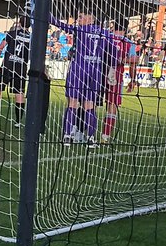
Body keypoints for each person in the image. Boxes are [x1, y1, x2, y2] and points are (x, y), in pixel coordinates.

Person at [51, 10, 126, 147]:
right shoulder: (105, 33)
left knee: (72, 103)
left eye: (80, 17)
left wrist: (43, 11)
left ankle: (67, 136)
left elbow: (57, 23)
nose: (78, 19)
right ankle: (91, 138)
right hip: (95, 72)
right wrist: (112, 70)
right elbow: (115, 54)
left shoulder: (81, 30)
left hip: (79, 70)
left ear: (90, 18)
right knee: (89, 106)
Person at [0, 14, 31, 128]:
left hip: (7, 66)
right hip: (20, 68)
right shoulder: (32, 38)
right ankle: (18, 121)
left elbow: (0, 47)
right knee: (19, 93)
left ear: (20, 23)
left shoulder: (12, 33)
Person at [101, 21, 132, 142]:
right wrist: (133, 80)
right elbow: (134, 60)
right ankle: (105, 136)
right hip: (116, 76)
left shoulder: (106, 37)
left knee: (89, 101)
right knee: (112, 105)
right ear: (125, 29)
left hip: (99, 72)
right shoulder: (128, 42)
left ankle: (82, 133)